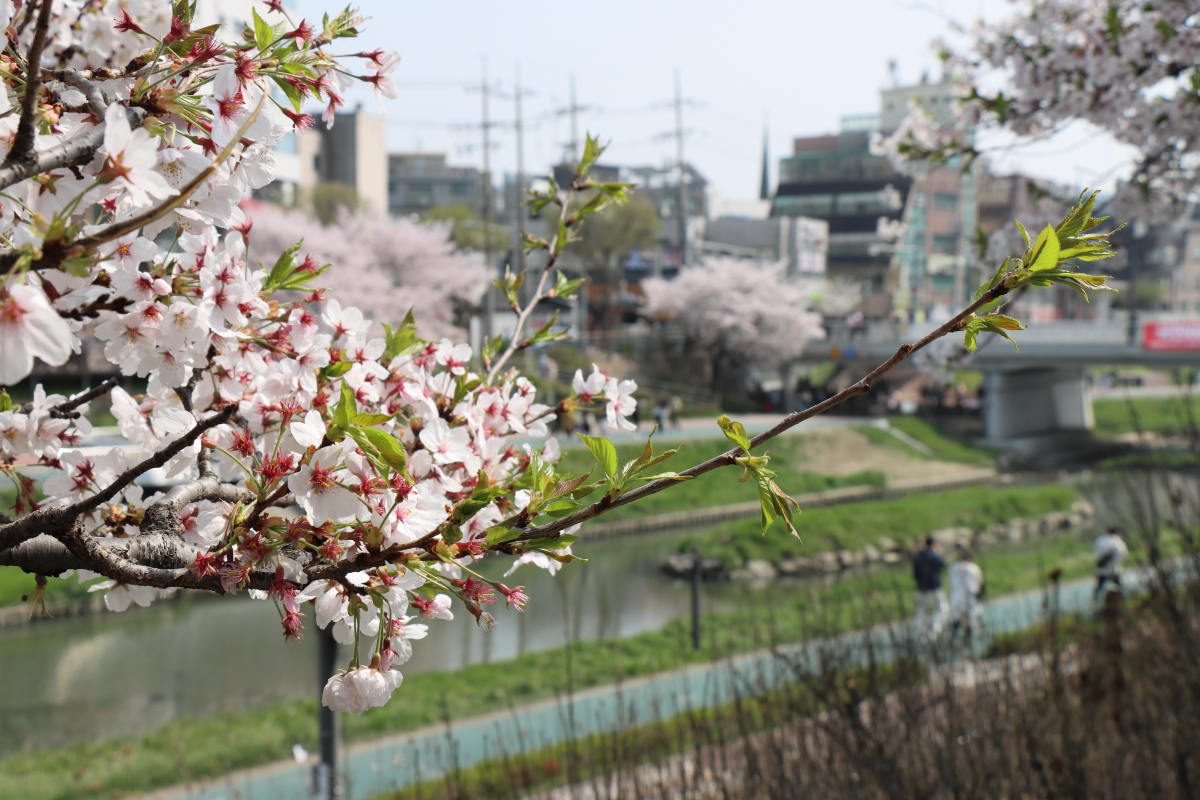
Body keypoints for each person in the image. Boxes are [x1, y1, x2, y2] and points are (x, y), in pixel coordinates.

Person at [912, 537, 947, 640]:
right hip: (934, 587)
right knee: (942, 609)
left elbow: (915, 574)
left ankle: (921, 631)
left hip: (922, 588)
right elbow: (942, 565)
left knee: (921, 610)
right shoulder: (933, 555)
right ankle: (934, 628)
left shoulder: (918, 556)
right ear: (933, 544)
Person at [948, 549, 985, 646]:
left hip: (956, 597)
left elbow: (950, 582)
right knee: (970, 620)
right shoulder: (973, 568)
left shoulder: (954, 567)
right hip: (970, 597)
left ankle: (951, 639)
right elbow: (980, 582)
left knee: (957, 619)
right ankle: (968, 641)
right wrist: (980, 594)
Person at [1093, 527, 1128, 601]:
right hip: (1114, 568)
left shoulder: (1099, 540)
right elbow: (1123, 553)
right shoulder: (1117, 540)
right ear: (1117, 533)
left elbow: (1095, 553)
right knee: (1120, 585)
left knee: (1099, 587)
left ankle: (1095, 601)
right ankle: (1124, 599)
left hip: (1102, 568)